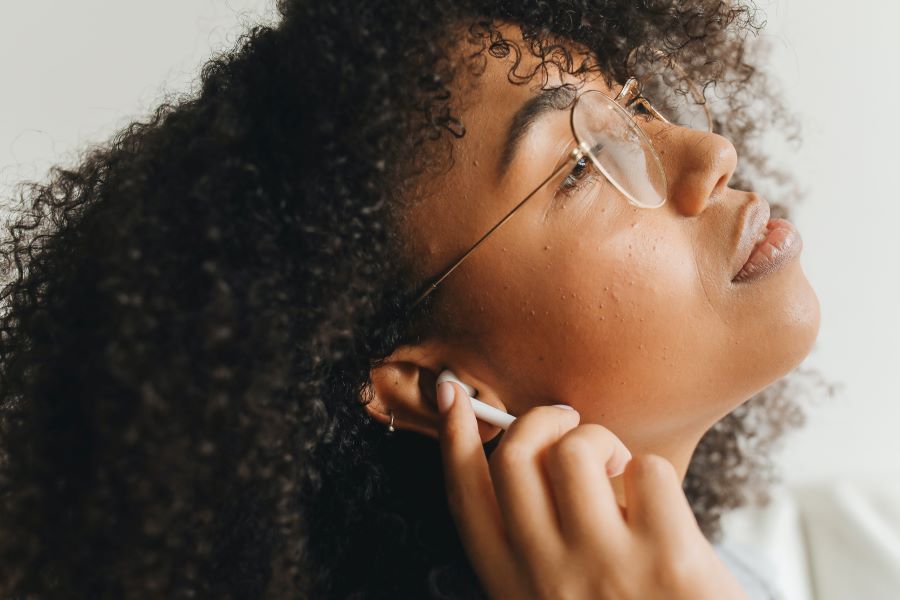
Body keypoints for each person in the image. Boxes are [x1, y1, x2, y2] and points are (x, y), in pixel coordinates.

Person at [0, 0, 821, 597]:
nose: (711, 152)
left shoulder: (726, 570)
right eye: (580, 166)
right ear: (440, 390)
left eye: (636, 112)